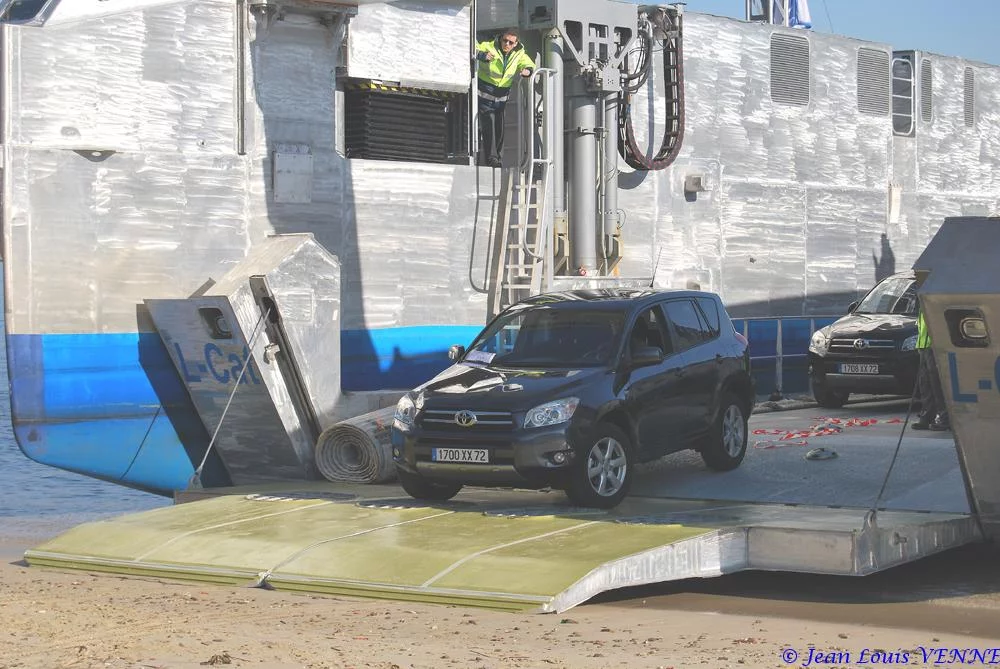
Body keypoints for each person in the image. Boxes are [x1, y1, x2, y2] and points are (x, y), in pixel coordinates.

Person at [476, 29, 535, 168]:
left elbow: (529, 64)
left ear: (515, 44)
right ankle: (492, 159)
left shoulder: (518, 54)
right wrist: (482, 55)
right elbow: (473, 48)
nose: (506, 44)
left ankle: (497, 157)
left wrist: (528, 70)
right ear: (501, 38)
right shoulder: (490, 46)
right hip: (485, 94)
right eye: (505, 40)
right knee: (488, 125)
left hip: (501, 98)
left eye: (510, 42)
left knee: (499, 128)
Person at [911, 304, 950, 431]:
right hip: (924, 346)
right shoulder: (922, 304)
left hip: (933, 347)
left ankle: (945, 418)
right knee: (925, 384)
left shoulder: (930, 302)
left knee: (936, 383)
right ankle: (927, 416)